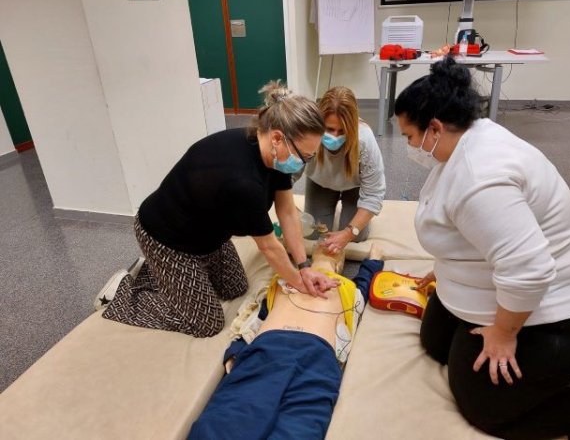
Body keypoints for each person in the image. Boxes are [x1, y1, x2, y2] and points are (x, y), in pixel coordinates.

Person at [394, 57, 570, 439]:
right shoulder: (468, 137)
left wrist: (504, 334)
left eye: (409, 136)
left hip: (561, 307)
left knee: (482, 404)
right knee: (435, 341)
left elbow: (530, 270)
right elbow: (475, 233)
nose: (408, 145)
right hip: (499, 283)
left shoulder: (479, 178)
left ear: (435, 128)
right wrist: (446, 270)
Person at [100, 81, 338, 338]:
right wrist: (298, 283)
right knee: (206, 324)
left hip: (209, 234)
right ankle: (122, 292)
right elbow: (269, 246)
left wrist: (304, 266)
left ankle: (157, 274)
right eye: (304, 156)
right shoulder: (243, 181)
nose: (303, 163)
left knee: (235, 288)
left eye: (310, 157)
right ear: (278, 137)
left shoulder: (272, 153)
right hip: (167, 238)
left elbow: (288, 212)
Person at [187, 243, 384, 440]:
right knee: (228, 419)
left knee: (299, 427)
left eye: (336, 251)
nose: (328, 247)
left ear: (340, 264)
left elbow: (366, 283)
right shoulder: (284, 279)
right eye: (321, 246)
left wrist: (374, 258)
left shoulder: (347, 288)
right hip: (268, 349)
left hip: (318, 359)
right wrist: (237, 350)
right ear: (309, 258)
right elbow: (257, 316)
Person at [303, 86, 385, 255]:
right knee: (313, 233)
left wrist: (348, 233)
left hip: (355, 187)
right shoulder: (309, 132)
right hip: (320, 183)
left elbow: (374, 193)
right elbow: (285, 177)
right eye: (329, 129)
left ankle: (348, 212)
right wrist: (289, 212)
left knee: (356, 236)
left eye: (342, 131)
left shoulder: (364, 139)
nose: (334, 136)